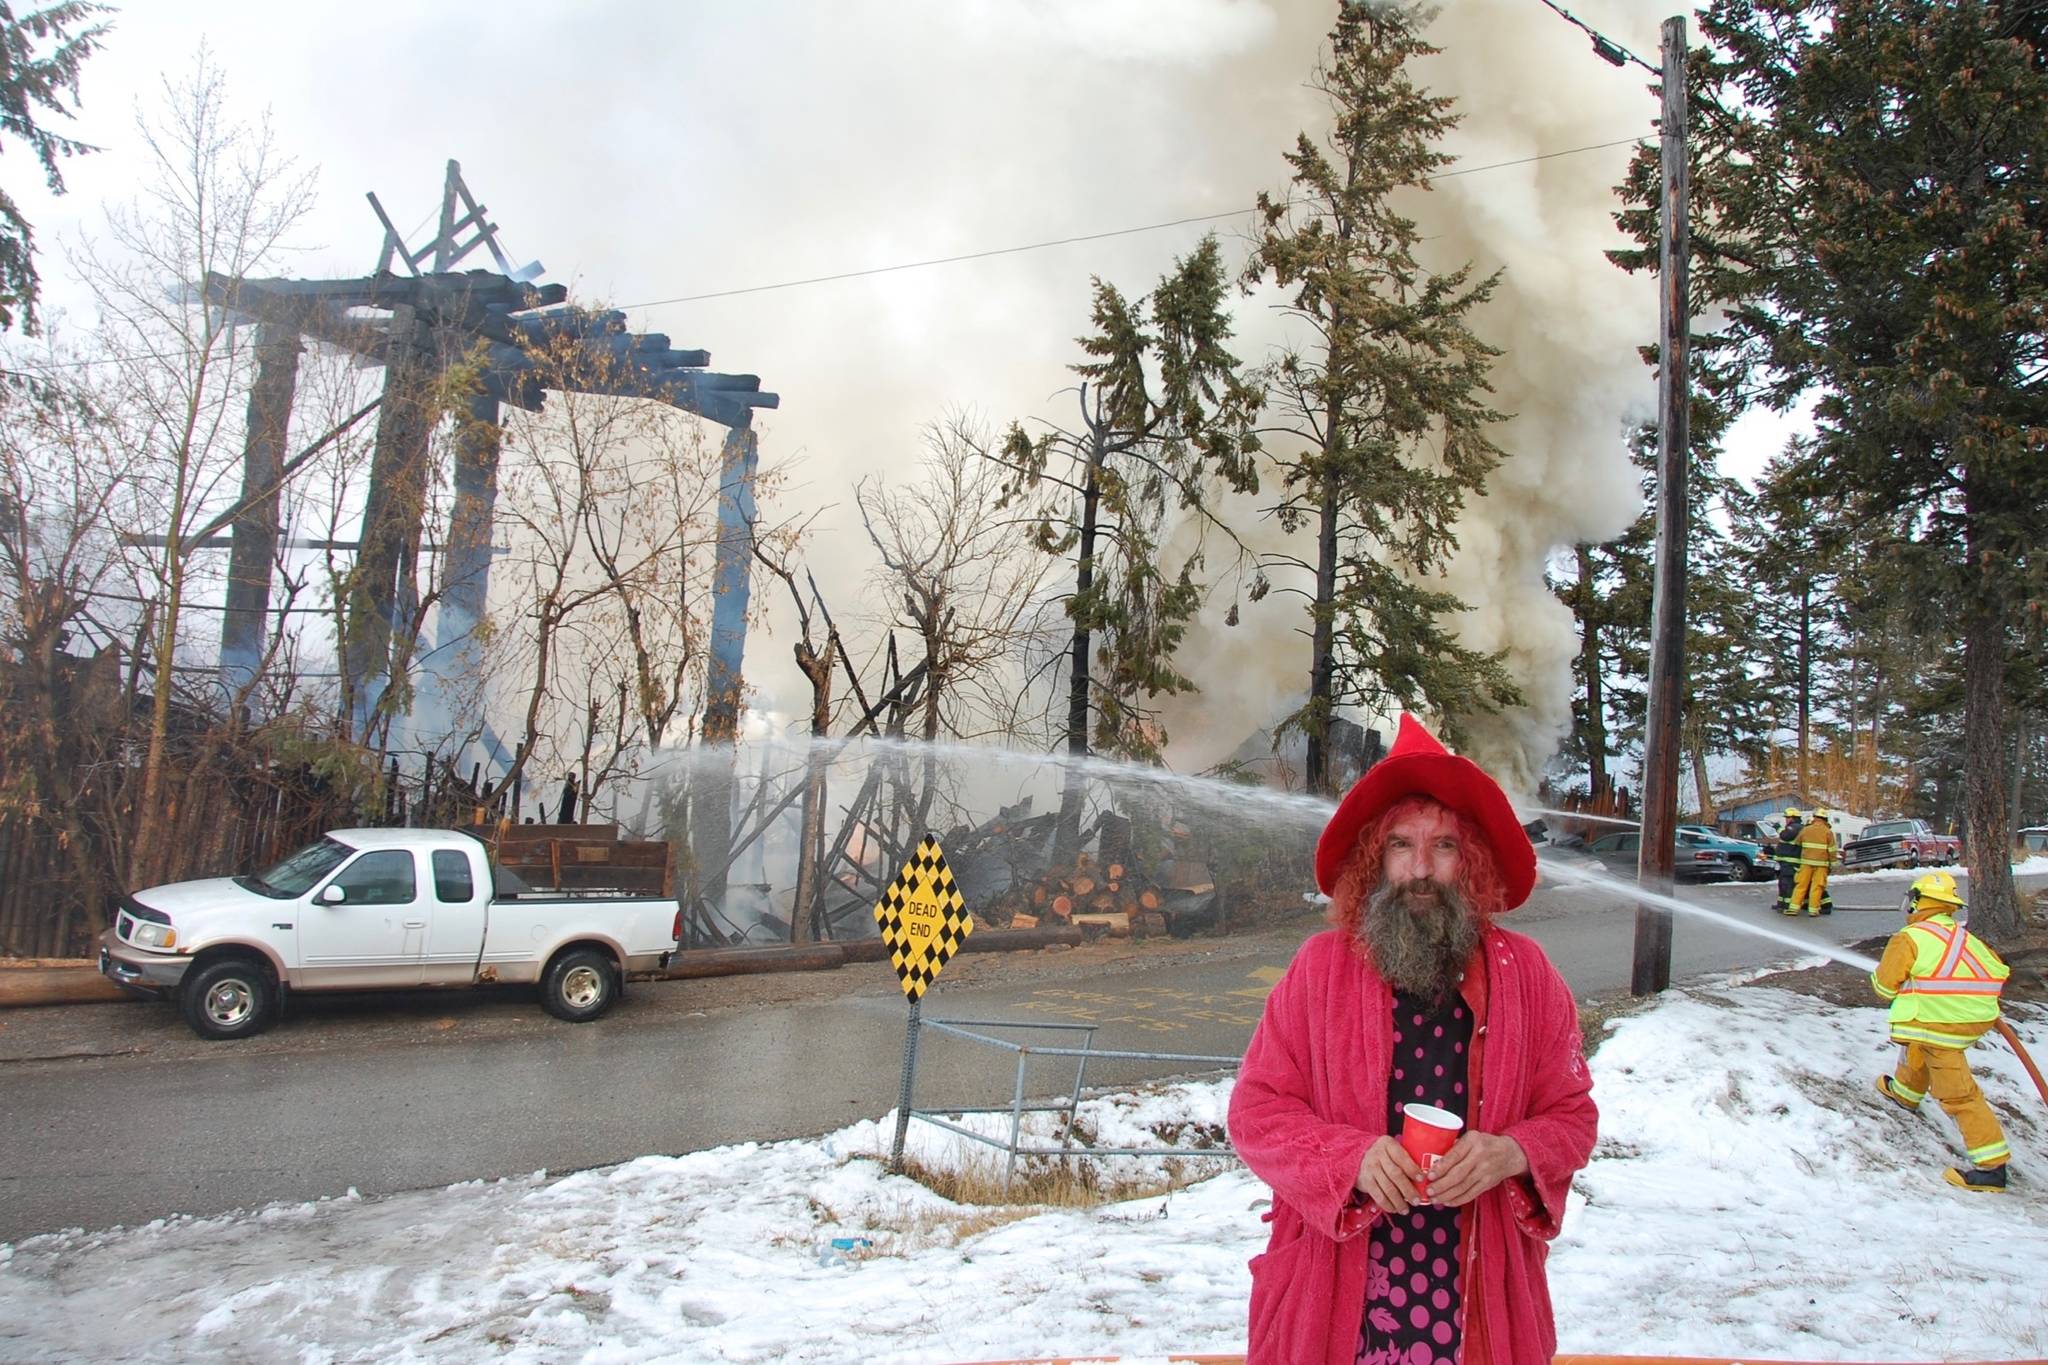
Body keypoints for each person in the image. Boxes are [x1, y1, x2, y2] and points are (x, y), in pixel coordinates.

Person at [1228, 714, 1598, 1364]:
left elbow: (1573, 1117)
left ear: (1473, 858)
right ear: (1375, 857)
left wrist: (1511, 1151)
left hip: (1478, 1294)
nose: (1421, 868)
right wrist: (1352, 1159)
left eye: (1445, 846)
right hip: (1335, 1295)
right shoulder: (1319, 969)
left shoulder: (1529, 975)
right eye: (1401, 844)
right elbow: (1257, 1113)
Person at [1871, 870, 2013, 1192]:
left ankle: (1992, 1168)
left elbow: (1883, 987)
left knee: (1958, 1093)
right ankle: (1905, 1092)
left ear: (1918, 902)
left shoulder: (1909, 938)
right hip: (1963, 1019)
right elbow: (1997, 970)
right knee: (1918, 1043)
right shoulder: (1964, 937)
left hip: (1942, 1023)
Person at [1786, 806, 1838, 916]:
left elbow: (1797, 842)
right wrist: (1833, 863)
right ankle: (1813, 910)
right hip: (1821, 865)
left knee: (1801, 885)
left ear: (1814, 817)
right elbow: (1832, 849)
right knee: (1817, 887)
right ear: (1825, 819)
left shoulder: (1806, 829)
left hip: (1805, 863)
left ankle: (1793, 908)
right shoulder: (1828, 832)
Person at [1772, 807, 1804, 914]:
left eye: (1788, 817)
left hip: (1790, 862)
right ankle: (1781, 904)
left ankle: (1787, 905)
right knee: (1782, 883)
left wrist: (1778, 828)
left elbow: (1785, 836)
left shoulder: (1796, 827)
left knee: (1787, 884)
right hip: (1785, 861)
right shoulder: (1793, 827)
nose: (1786, 819)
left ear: (1794, 818)